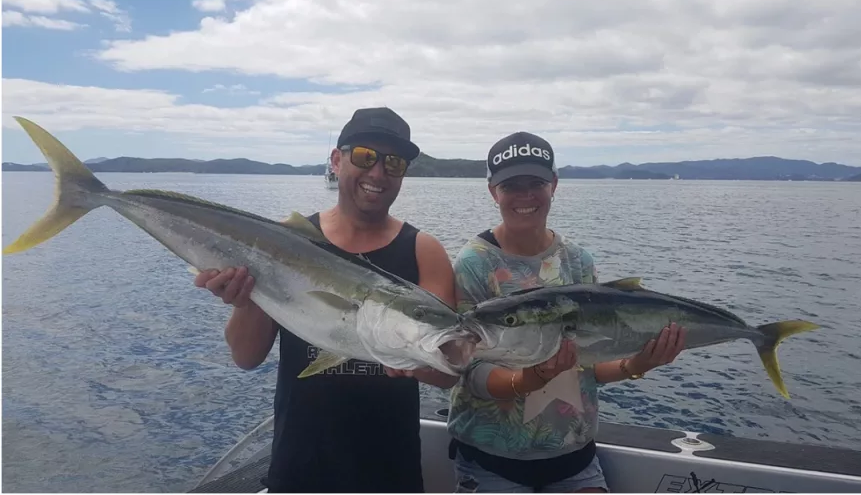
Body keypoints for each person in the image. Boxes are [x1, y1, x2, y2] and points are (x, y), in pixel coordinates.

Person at [193, 107, 459, 493]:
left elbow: (448, 372)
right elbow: (246, 358)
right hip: (300, 468)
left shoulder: (423, 250)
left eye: (394, 162)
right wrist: (245, 300)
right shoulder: (285, 240)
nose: (378, 173)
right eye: (366, 156)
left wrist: (413, 359)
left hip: (391, 472)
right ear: (337, 160)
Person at [446, 131, 687, 493]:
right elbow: (470, 370)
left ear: (554, 184)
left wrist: (637, 365)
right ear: (493, 190)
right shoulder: (474, 263)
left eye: (536, 183)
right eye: (512, 185)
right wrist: (533, 377)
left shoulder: (577, 260)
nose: (525, 195)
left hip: (575, 458)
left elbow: (588, 364)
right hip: (492, 461)